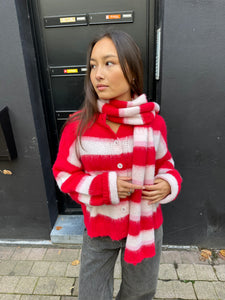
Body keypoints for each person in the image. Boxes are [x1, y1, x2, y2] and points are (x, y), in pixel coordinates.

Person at [52, 30, 182, 300]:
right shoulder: (79, 125)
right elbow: (64, 174)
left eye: (109, 63)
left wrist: (167, 183)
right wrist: (105, 187)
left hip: (145, 226)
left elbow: (166, 165)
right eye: (93, 65)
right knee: (91, 294)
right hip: (100, 227)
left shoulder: (154, 123)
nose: (97, 74)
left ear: (132, 71)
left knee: (140, 292)